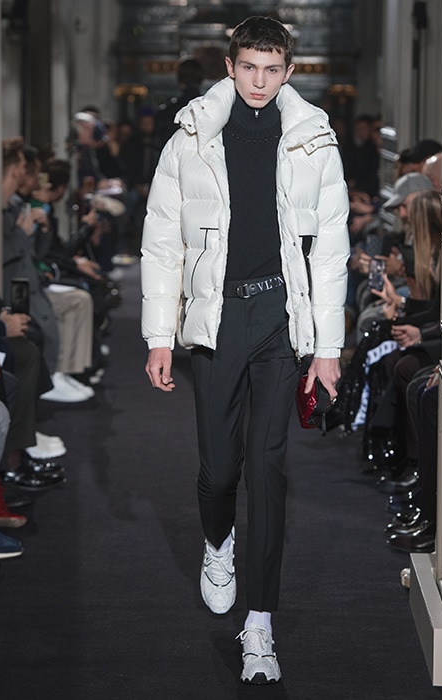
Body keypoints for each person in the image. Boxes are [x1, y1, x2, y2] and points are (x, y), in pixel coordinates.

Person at [141, 16, 350, 685]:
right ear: (230, 67)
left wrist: (327, 347)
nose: (260, 81)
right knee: (218, 469)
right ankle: (217, 540)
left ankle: (259, 624)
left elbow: (332, 249)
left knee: (268, 468)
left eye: (272, 69)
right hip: (216, 317)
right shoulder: (191, 136)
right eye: (249, 67)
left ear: (289, 70)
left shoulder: (313, 138)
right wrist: (158, 336)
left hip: (280, 317)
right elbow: (163, 241)